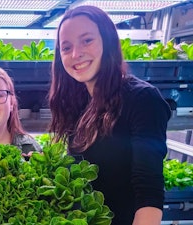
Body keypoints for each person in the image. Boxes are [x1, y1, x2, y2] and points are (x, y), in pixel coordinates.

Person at [48, 5, 170, 225]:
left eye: (87, 40)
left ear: (108, 41)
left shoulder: (142, 99)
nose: (76, 54)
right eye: (66, 47)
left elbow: (149, 190)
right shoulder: (78, 102)